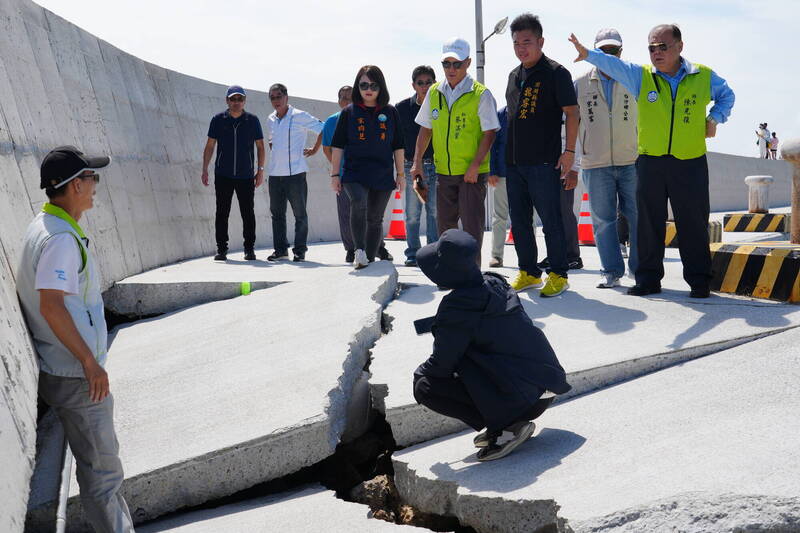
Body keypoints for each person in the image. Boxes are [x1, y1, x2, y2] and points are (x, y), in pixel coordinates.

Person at [569, 23, 735, 298]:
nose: (656, 53)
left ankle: (699, 281)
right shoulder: (640, 76)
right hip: (650, 162)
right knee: (647, 223)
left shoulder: (702, 76)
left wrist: (714, 118)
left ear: (680, 47)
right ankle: (647, 280)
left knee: (692, 222)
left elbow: (727, 95)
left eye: (663, 47)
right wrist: (588, 54)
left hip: (689, 161)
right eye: (651, 48)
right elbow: (612, 64)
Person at [16, 146, 134, 532]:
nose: (95, 185)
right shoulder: (61, 240)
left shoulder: (47, 226)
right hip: (76, 376)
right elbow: (52, 305)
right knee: (104, 475)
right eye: (90, 178)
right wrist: (88, 361)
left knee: (100, 470)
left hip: (64, 369)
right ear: (71, 186)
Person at [412, 229, 571, 462]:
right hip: (545, 385)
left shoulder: (457, 307)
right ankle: (504, 419)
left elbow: (441, 365)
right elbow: (482, 321)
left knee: (425, 385)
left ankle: (506, 427)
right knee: (474, 353)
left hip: (524, 401)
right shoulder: (495, 282)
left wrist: (418, 374)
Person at [505, 14, 580, 297]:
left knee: (551, 219)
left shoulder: (556, 73)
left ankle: (559, 274)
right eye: (516, 43)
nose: (521, 48)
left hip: (544, 160)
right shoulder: (514, 75)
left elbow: (573, 113)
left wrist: (569, 152)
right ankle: (529, 271)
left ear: (540, 41)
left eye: (527, 42)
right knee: (520, 220)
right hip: (514, 162)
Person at [411, 37, 499, 266]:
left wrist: (474, 165)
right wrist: (417, 162)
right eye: (446, 64)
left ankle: (472, 276)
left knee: (471, 229)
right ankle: (450, 273)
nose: (451, 69)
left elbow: (490, 133)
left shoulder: (481, 94)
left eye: (457, 64)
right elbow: (425, 129)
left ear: (468, 63)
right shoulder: (434, 92)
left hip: (472, 174)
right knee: (446, 229)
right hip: (444, 172)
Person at [574, 28, 639, 288]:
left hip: (631, 160)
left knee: (637, 217)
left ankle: (638, 269)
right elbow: (570, 124)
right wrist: (573, 160)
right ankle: (611, 271)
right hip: (595, 162)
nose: (608, 55)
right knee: (603, 220)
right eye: (602, 51)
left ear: (621, 52)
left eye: (613, 50)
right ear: (594, 52)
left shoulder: (636, 79)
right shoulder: (579, 83)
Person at [330, 65, 405, 269]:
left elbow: (398, 145)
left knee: (375, 218)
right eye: (363, 85)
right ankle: (359, 250)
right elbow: (337, 145)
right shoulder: (349, 113)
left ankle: (369, 259)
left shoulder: (390, 112)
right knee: (358, 202)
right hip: (354, 172)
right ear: (357, 87)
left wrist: (401, 174)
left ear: (381, 87)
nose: (368, 89)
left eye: (373, 85)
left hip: (381, 172)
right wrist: (334, 175)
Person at [202, 85, 265, 261]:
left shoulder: (252, 120)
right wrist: (205, 168)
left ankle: (249, 249)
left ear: (244, 101)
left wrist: (260, 170)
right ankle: (222, 249)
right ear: (227, 100)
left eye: (240, 99)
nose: (236, 102)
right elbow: (210, 146)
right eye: (233, 99)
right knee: (222, 212)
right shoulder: (218, 119)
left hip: (246, 175)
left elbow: (260, 147)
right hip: (223, 174)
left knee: (248, 213)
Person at [265, 83, 325, 262]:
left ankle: (299, 251)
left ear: (286, 97)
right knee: (277, 215)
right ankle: (281, 250)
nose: (276, 100)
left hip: (296, 174)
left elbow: (323, 128)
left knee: (300, 215)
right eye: (273, 97)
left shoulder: (299, 116)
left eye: (278, 96)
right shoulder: (270, 119)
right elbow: (271, 140)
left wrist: (314, 149)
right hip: (275, 175)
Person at [396, 65, 438, 267]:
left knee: (434, 212)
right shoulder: (402, 108)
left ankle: (433, 252)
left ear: (434, 83)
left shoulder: (440, 105)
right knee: (412, 213)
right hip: (414, 168)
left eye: (428, 82)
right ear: (413, 85)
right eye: (420, 83)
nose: (424, 86)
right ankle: (413, 253)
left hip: (437, 167)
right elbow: (395, 141)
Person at [322, 85, 357, 263]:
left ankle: (374, 246)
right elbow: (326, 148)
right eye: (343, 98)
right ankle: (350, 249)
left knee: (369, 213)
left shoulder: (363, 119)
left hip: (362, 174)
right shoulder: (331, 121)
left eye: (350, 98)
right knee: (345, 212)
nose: (346, 101)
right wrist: (336, 170)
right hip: (343, 175)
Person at [488, 106, 511, 268]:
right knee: (499, 217)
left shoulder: (531, 111)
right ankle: (497, 256)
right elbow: (492, 144)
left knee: (527, 218)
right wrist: (492, 170)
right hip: (502, 174)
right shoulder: (500, 115)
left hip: (526, 174)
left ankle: (530, 257)